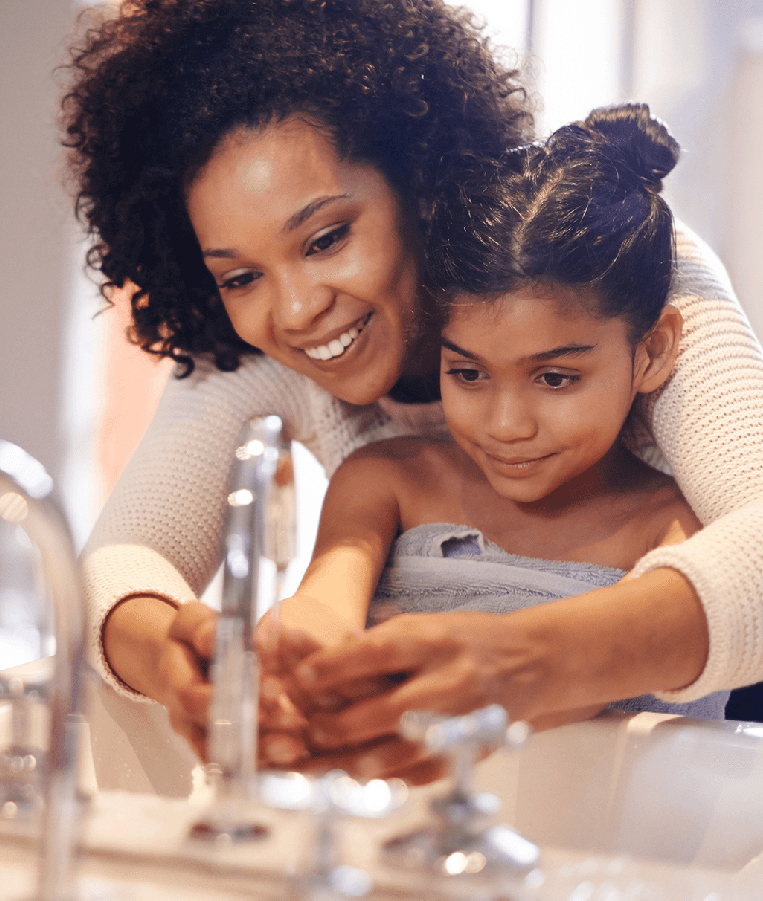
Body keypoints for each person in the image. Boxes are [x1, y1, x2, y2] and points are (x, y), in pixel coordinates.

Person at [63, 0, 763, 778]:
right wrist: (179, 664)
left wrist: (519, 659)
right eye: (239, 274)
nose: (297, 307)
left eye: (328, 237)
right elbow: (122, 560)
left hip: (759, 665)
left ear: (419, 179)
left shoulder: (596, 265)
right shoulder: (263, 340)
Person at [266, 105, 724, 775]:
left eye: (557, 376)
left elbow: (615, 675)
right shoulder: (387, 481)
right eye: (469, 372)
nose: (507, 423)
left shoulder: (678, 524)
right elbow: (323, 603)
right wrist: (295, 651)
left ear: (652, 350)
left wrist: (496, 672)